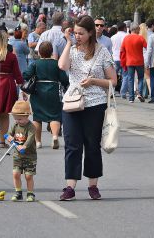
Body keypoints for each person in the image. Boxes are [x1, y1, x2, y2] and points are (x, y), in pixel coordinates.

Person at [58, 15, 117, 201]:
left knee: (92, 145)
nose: (78, 36)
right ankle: (70, 186)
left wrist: (93, 81)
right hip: (72, 103)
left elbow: (113, 81)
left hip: (95, 104)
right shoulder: (72, 50)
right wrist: (68, 43)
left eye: (81, 33)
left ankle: (93, 185)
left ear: (91, 32)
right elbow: (62, 66)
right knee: (72, 145)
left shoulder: (102, 52)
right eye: (75, 33)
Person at [22, 41, 69, 149]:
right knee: (55, 116)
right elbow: (64, 79)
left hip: (38, 92)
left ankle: (38, 142)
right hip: (53, 91)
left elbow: (26, 75)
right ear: (51, 52)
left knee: (37, 117)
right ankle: (55, 136)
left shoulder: (35, 63)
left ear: (39, 52)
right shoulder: (56, 63)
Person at [0, 30, 24, 148]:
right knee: (5, 114)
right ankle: (2, 141)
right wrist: (22, 86)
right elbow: (17, 74)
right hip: (8, 84)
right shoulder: (11, 56)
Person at [6, 101, 37, 202]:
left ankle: (30, 193)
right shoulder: (15, 125)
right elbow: (9, 134)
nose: (18, 121)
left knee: (28, 176)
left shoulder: (31, 127)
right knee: (16, 174)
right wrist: (9, 137)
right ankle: (18, 192)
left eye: (20, 119)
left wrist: (24, 146)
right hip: (17, 155)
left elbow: (30, 139)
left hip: (29, 156)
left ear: (27, 116)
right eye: (16, 119)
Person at [120, 23, 147, 103]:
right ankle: (139, 93)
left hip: (129, 61)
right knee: (141, 78)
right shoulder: (140, 38)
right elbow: (146, 47)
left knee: (130, 79)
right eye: (138, 29)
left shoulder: (126, 38)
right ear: (135, 29)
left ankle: (131, 98)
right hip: (139, 61)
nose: (139, 30)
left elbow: (122, 50)